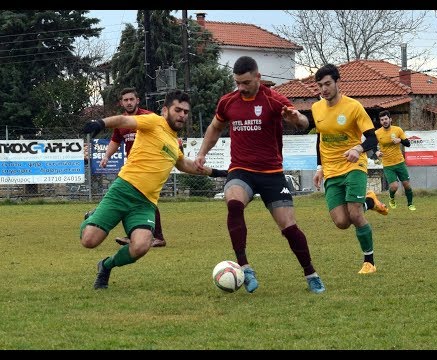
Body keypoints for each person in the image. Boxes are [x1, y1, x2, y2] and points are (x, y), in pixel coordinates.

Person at [194, 55, 325, 294]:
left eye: (245, 83)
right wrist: (202, 152)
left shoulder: (274, 100)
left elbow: (304, 123)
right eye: (237, 83)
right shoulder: (228, 102)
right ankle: (245, 267)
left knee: (289, 227)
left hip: (272, 173)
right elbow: (215, 127)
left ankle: (311, 273)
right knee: (233, 203)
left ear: (258, 77)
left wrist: (295, 118)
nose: (241, 88)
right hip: (241, 170)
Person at [81, 90, 226, 290]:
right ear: (165, 109)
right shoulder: (153, 121)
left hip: (145, 203)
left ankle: (105, 266)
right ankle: (93, 216)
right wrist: (101, 123)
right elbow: (124, 120)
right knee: (89, 241)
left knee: (141, 246)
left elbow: (185, 165)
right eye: (178, 110)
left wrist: (220, 173)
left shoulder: (174, 143)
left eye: (185, 112)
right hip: (123, 190)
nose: (182, 115)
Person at [311, 63, 388, 275]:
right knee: (341, 222)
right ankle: (370, 201)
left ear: (337, 82)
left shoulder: (353, 107)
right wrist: (320, 168)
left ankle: (369, 262)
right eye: (320, 86)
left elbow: (372, 137)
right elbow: (321, 139)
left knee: (355, 214)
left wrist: (358, 148)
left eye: (327, 84)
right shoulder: (316, 108)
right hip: (331, 170)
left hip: (355, 165)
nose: (324, 89)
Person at [96, 87, 167, 247]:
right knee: (137, 200)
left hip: (150, 166)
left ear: (137, 100)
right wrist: (106, 156)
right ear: (121, 103)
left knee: (143, 199)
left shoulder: (148, 117)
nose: (129, 102)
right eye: (125, 100)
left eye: (131, 99)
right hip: (133, 167)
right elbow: (115, 141)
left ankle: (155, 237)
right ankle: (143, 235)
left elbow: (164, 130)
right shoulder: (121, 122)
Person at [374, 110, 416, 211]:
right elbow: (373, 146)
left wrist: (400, 140)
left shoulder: (397, 130)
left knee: (406, 184)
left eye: (386, 119)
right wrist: (376, 152)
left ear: (390, 119)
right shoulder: (377, 133)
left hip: (400, 162)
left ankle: (410, 204)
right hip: (388, 165)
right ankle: (391, 198)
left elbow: (408, 143)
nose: (384, 121)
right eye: (382, 120)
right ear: (380, 122)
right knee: (394, 187)